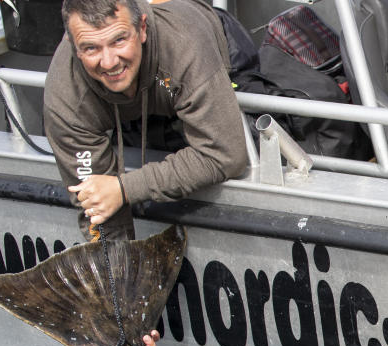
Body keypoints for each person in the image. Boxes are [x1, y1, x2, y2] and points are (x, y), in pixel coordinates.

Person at [44, 0, 249, 241]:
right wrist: (119, 274)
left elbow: (226, 155)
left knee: (243, 131)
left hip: (176, 72)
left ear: (142, 29)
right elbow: (97, 208)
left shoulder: (185, 49)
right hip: (129, 94)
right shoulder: (66, 92)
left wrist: (124, 189)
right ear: (73, 46)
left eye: (119, 40)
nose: (109, 61)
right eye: (91, 48)